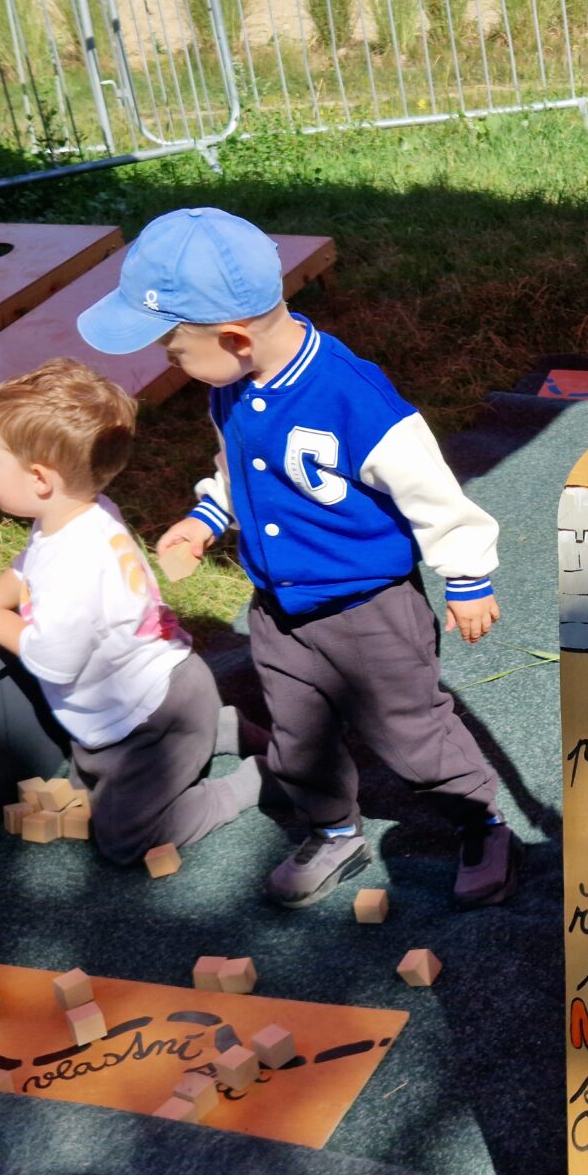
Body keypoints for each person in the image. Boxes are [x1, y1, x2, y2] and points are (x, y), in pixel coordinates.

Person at [76, 206, 517, 909]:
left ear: (234, 338)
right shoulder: (232, 385)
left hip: (370, 609)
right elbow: (238, 470)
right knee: (297, 733)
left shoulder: (354, 398)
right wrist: (206, 517)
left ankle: (479, 822)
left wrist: (466, 576)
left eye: (173, 350)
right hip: (280, 607)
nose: (169, 363)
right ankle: (334, 830)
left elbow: (430, 491)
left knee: (411, 733)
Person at [0, 357, 259, 867]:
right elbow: (27, 568)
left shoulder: (73, 564)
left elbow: (54, 661)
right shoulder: (76, 515)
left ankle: (248, 784)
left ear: (40, 479)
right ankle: (212, 729)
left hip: (149, 715)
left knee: (124, 840)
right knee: (89, 782)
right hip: (156, 696)